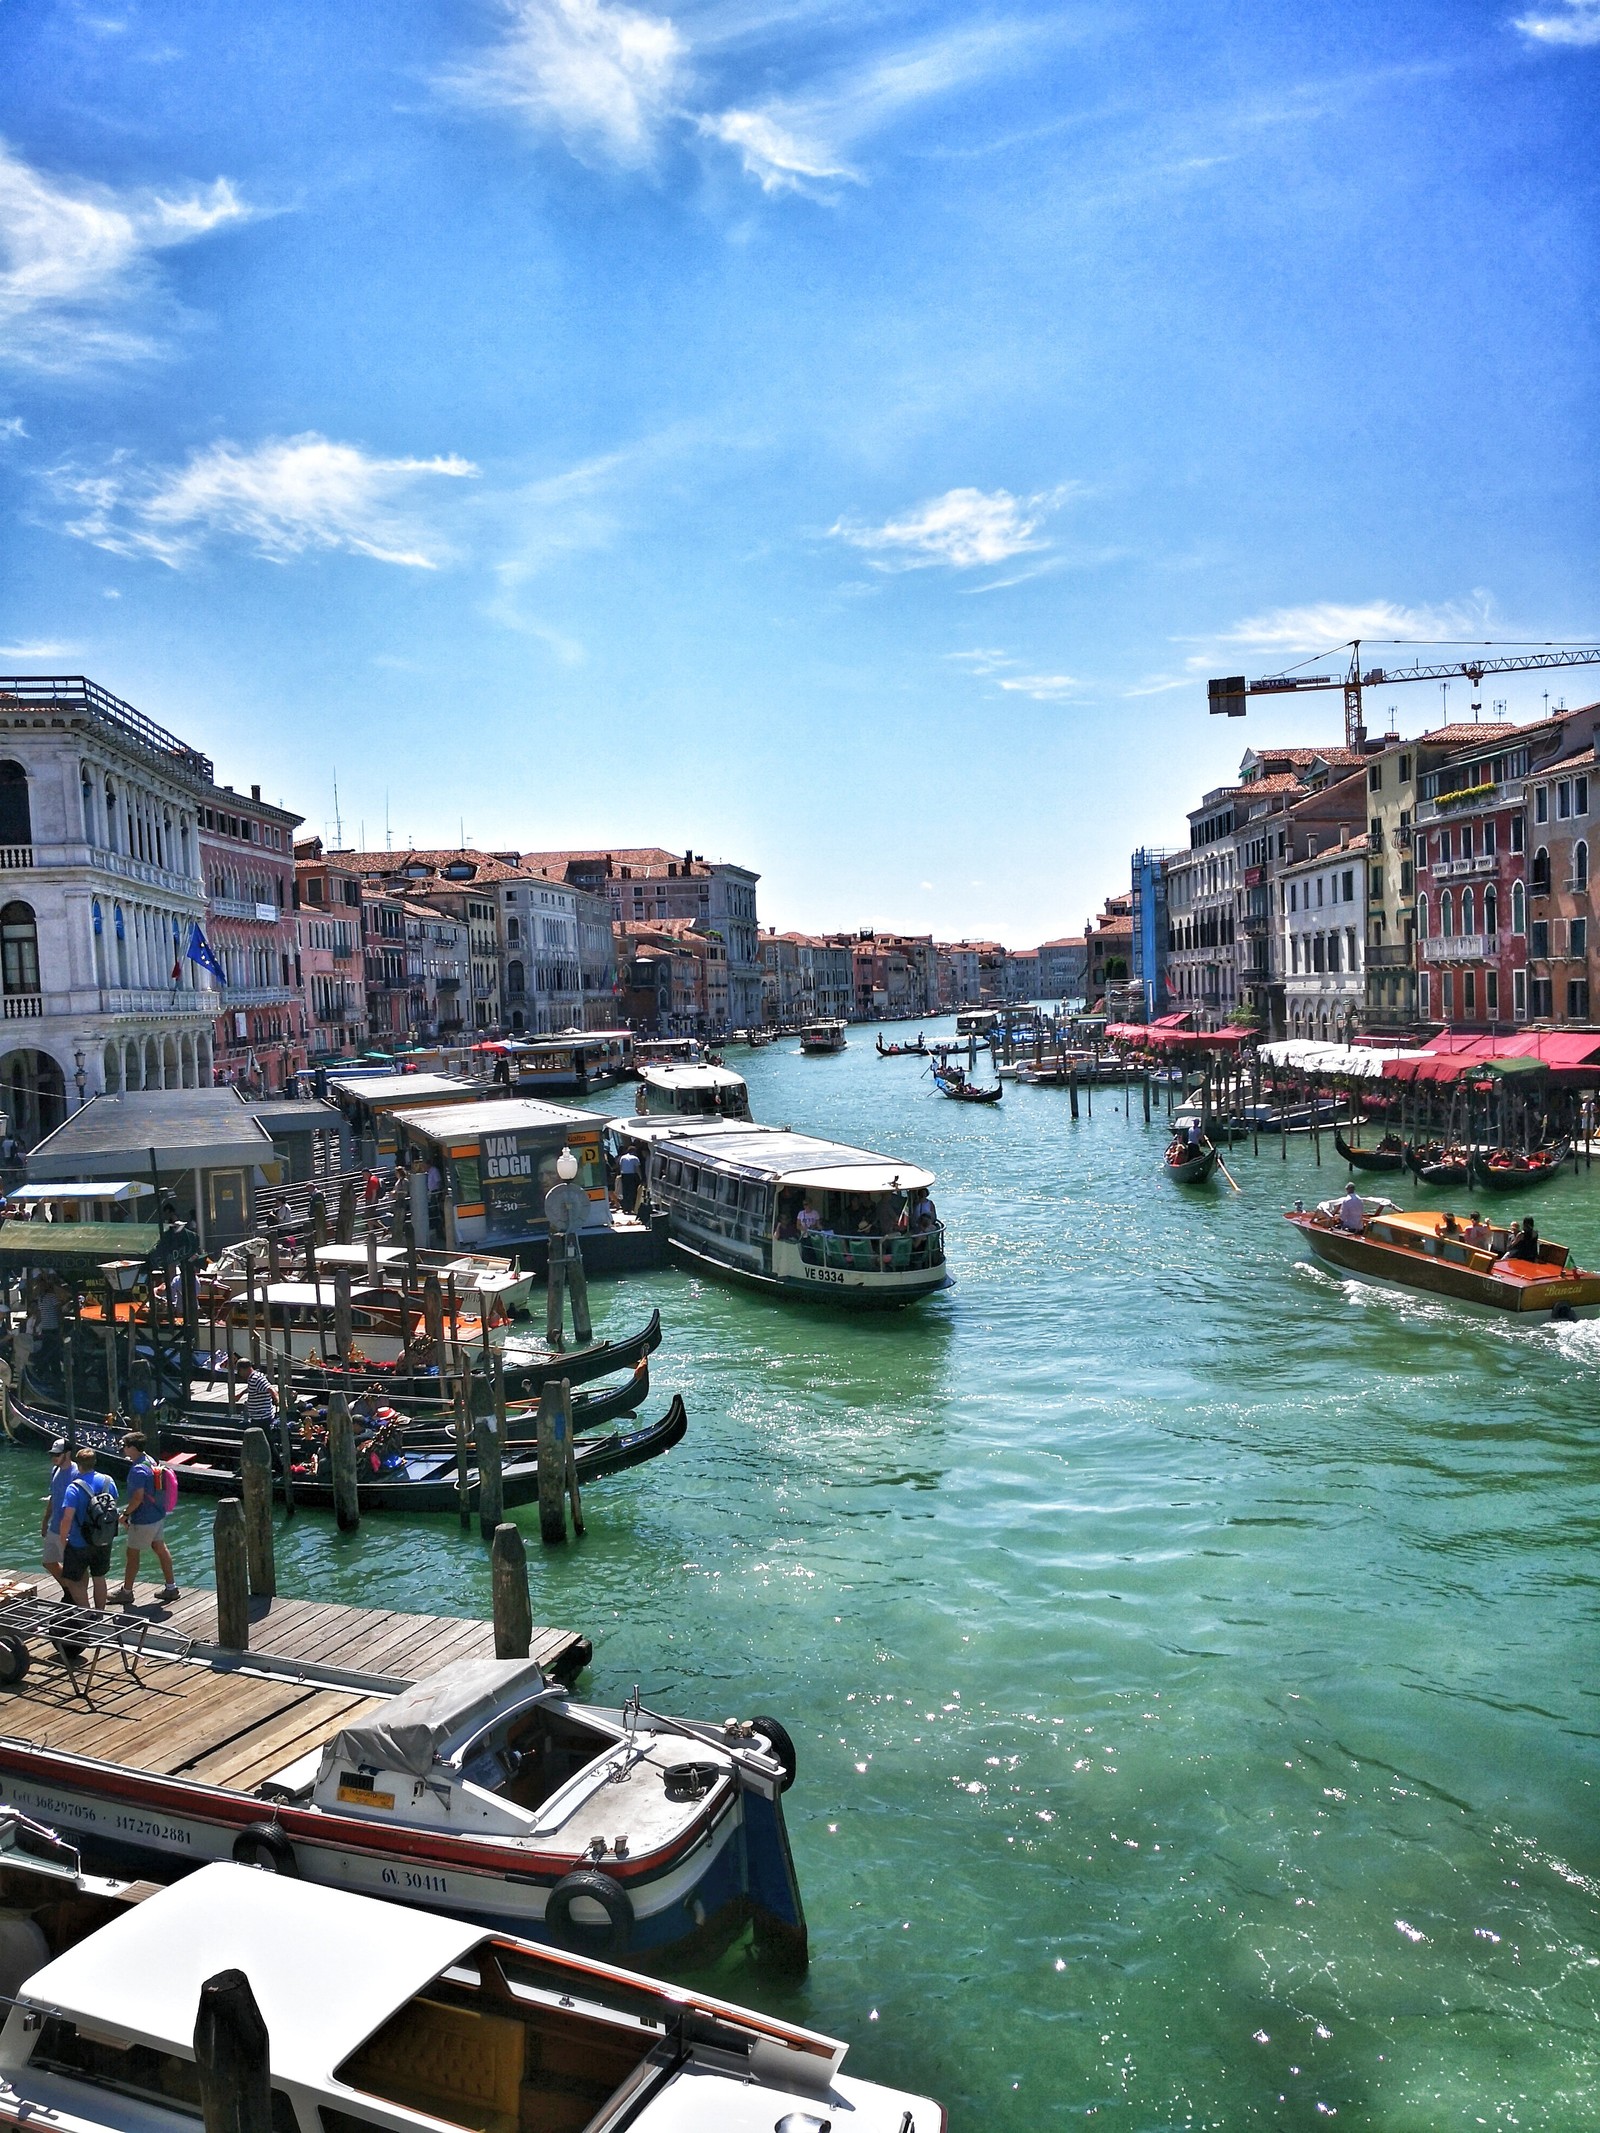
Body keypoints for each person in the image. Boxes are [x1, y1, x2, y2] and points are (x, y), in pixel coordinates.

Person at [113, 1432, 178, 1605]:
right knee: (160, 1547)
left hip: (144, 1519)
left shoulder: (137, 1470)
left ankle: (126, 1592)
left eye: (125, 1445)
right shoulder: (149, 1460)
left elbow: (137, 1498)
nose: (123, 1448)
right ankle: (171, 1588)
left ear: (132, 1448)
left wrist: (125, 1514)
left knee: (132, 1554)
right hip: (157, 1513)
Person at [56, 1446, 119, 1611]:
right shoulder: (108, 1481)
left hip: (79, 1542)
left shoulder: (74, 1487)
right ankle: (99, 1614)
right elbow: (113, 1508)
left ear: (78, 1464)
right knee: (99, 1577)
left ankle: (87, 1613)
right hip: (103, 1539)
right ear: (94, 1462)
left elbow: (67, 1518)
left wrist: (62, 1541)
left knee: (71, 1579)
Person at [40, 1439, 74, 1598]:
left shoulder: (76, 1473)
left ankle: (74, 1595)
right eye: (52, 1455)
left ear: (67, 1454)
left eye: (57, 1455)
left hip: (68, 1530)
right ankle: (68, 1590)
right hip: (54, 1526)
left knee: (71, 1566)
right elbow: (53, 1498)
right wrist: (45, 1521)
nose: (54, 1458)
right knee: (48, 1561)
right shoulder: (55, 1471)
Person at [245, 1364, 277, 1428]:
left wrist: (278, 1400)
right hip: (256, 1417)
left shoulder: (256, 1378)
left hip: (262, 1418)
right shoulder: (252, 1378)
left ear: (243, 1370)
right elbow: (252, 1387)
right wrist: (240, 1394)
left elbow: (270, 1388)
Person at [617, 1147, 643, 1216]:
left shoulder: (622, 1157)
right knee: (632, 1192)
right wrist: (641, 1178)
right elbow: (637, 1169)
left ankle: (625, 1208)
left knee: (625, 1192)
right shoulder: (635, 1158)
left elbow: (620, 1167)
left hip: (624, 1175)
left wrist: (620, 1175)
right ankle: (631, 1208)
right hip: (631, 1175)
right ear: (634, 1151)